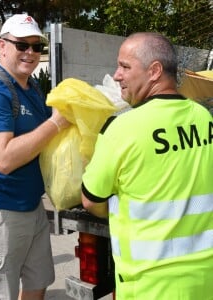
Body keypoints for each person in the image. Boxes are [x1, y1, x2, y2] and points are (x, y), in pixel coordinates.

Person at [81, 32, 213, 299]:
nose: (117, 75)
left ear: (154, 71)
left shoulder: (121, 129)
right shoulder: (203, 117)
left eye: (125, 66)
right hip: (203, 280)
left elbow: (91, 200)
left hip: (148, 285)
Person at [0, 14, 69, 300]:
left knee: (38, 283)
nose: (31, 53)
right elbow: (4, 159)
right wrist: (56, 123)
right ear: (2, 46)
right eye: (22, 45)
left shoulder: (31, 88)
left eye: (38, 47)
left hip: (31, 206)